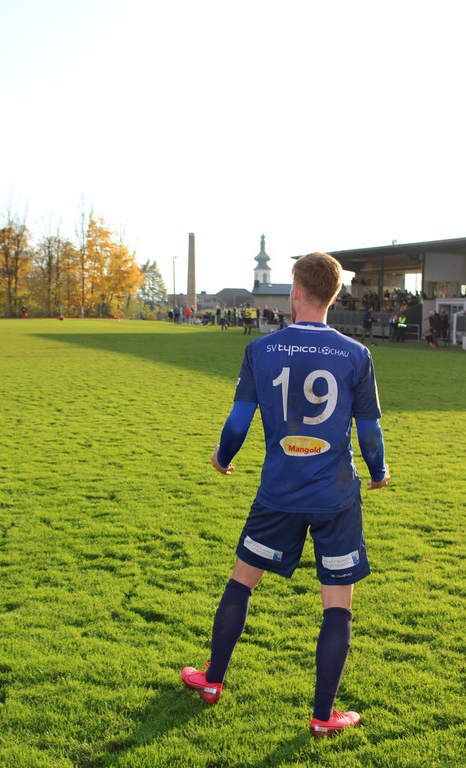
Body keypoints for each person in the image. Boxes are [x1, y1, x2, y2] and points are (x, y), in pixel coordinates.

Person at [181, 252, 390, 738]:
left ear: (296, 292)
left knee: (241, 584)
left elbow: (238, 421)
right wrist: (378, 471)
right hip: (336, 497)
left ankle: (212, 682)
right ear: (334, 296)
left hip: (277, 493)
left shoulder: (261, 349)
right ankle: (322, 717)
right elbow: (370, 429)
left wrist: (222, 457)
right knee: (337, 606)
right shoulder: (357, 355)